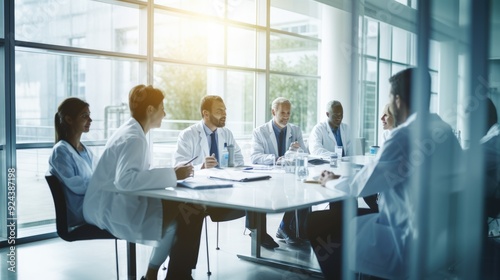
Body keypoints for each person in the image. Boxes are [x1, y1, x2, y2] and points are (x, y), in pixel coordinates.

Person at [307, 68, 463, 279]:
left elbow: (360, 186)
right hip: (443, 237)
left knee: (319, 223)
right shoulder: (445, 131)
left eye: (390, 98)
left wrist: (329, 180)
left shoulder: (404, 136)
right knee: (345, 217)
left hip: (406, 239)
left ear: (398, 100)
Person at [83, 85, 194, 280]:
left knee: (181, 214)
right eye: (162, 108)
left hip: (107, 202)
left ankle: (156, 274)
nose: (165, 113)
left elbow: (130, 175)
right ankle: (157, 275)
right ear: (150, 109)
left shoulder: (131, 131)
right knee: (182, 216)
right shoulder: (134, 137)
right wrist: (173, 175)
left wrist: (170, 174)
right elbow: (125, 180)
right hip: (111, 208)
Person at [169, 95, 245, 277]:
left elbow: (240, 160)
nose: (224, 114)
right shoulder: (188, 134)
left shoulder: (226, 133)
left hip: (224, 192)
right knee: (190, 213)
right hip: (199, 194)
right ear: (206, 113)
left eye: (225, 110)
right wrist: (200, 167)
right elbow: (178, 166)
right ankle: (180, 273)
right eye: (219, 111)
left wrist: (229, 165)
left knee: (254, 201)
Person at [250, 97, 309, 247]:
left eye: (288, 113)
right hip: (270, 177)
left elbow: (306, 154)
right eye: (282, 112)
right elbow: (255, 157)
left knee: (304, 188)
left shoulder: (295, 130)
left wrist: (298, 150)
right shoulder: (260, 132)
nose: (286, 116)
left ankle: (290, 228)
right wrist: (277, 159)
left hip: (289, 176)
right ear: (273, 111)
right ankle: (266, 232)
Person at [48, 97, 96, 227]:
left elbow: (98, 174)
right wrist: (102, 184)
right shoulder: (61, 151)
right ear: (69, 119)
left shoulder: (86, 149)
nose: (90, 120)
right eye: (84, 116)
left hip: (91, 203)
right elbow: (77, 185)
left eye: (89, 116)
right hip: (80, 211)